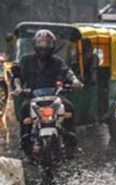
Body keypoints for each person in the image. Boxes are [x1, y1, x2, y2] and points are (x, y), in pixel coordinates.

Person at [13, 29, 84, 157]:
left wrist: (75, 81)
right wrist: (19, 88)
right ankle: (26, 141)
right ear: (35, 45)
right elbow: (16, 75)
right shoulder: (26, 60)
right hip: (33, 97)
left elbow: (67, 71)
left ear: (53, 46)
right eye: (41, 44)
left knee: (69, 107)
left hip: (54, 97)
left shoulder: (57, 62)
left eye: (47, 44)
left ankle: (71, 141)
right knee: (24, 109)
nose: (44, 47)